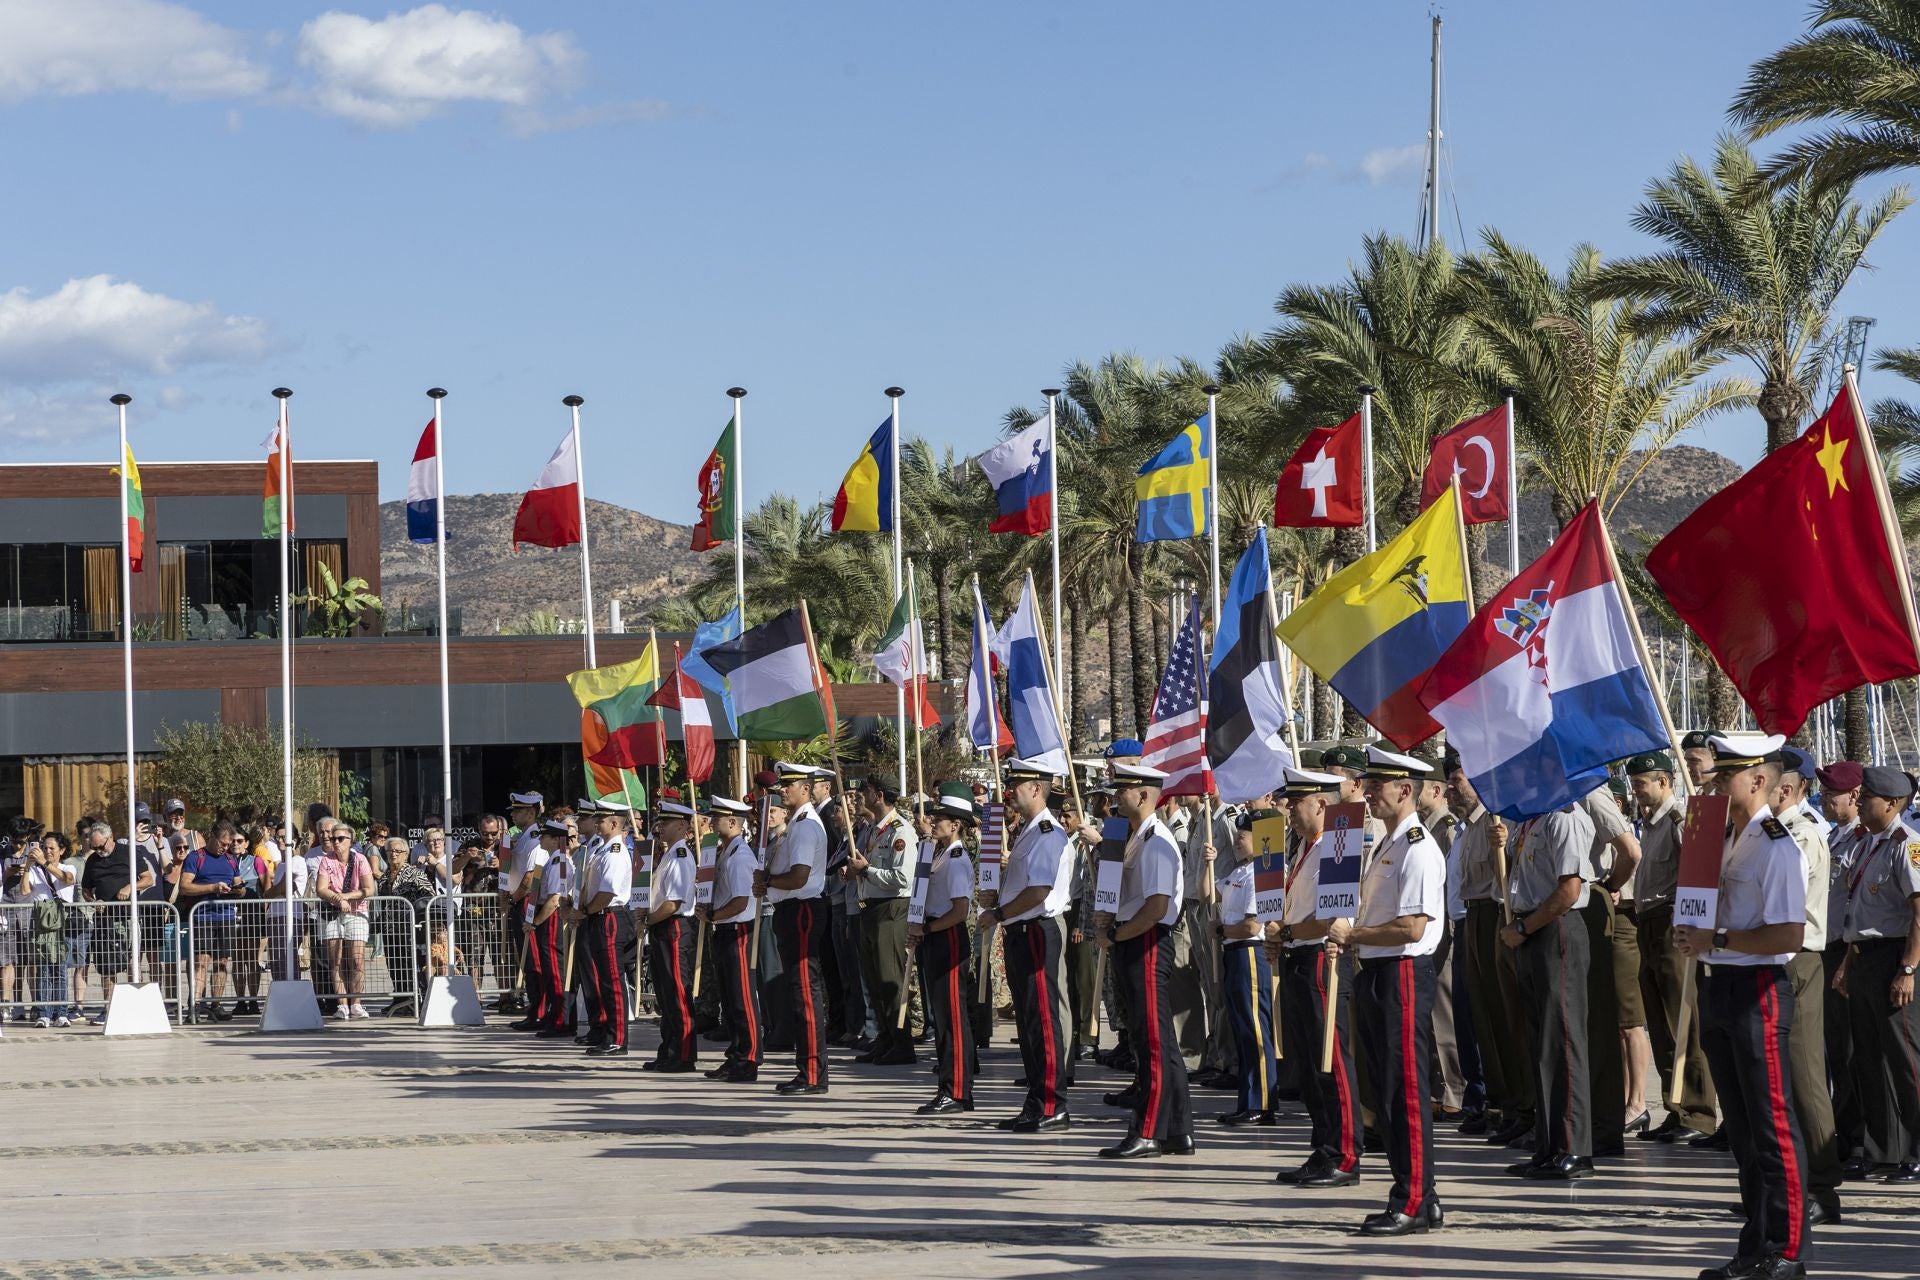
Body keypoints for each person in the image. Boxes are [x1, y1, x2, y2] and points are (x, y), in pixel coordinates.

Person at [1675, 733, 1810, 1280]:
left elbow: (1789, 934)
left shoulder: (1777, 845)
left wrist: (1720, 941)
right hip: (1718, 986)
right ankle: (1754, 1243)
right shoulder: (1716, 837)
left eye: (1723, 774)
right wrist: (1695, 936)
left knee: (1773, 1125)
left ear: (1758, 781)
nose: (1712, 782)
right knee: (1745, 1131)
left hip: (1757, 989)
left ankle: (1787, 1248)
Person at [1341, 746, 1445, 1236]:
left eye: (1376, 785)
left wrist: (1354, 936)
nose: (1367, 794)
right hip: (1379, 972)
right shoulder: (1388, 843)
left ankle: (1413, 1198)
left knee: (1404, 1090)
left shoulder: (1418, 846)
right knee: (1386, 1089)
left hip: (1402, 971)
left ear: (1406, 790)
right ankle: (1421, 1193)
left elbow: (1410, 926)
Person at [1095, 762, 1192, 1158]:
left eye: (1123, 790)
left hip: (1147, 942)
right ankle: (1177, 1129)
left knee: (1151, 1043)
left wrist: (1117, 934)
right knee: (1157, 1042)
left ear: (1143, 794)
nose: (1116, 797)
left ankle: (1148, 1129)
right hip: (1133, 940)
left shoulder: (1156, 841)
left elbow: (1155, 906)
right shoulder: (1135, 837)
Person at [1498, 794, 1596, 1181]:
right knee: (1540, 1044)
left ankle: (1574, 1148)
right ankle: (1549, 1145)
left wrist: (1524, 927)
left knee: (1563, 1042)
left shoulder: (1563, 817)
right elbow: (1515, 882)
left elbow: (1569, 889)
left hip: (1553, 930)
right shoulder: (1527, 822)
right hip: (1528, 931)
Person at [1275, 767, 1362, 1185]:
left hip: (1322, 962)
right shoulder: (1303, 848)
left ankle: (1345, 1154)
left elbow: (1331, 917)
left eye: (1297, 802)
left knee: (1332, 1062)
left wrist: (1289, 931)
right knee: (1310, 1064)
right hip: (1298, 957)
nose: (1289, 809)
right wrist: (1281, 935)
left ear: (1322, 804)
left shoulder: (1338, 846)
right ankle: (1323, 1146)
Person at [980, 757, 1074, 1133]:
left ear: (1036, 789)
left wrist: (1000, 913)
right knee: (1029, 1022)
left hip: (1036, 929)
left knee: (1043, 1021)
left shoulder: (1049, 832)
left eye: (1016, 785)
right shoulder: (1030, 831)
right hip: (1022, 931)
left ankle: (1053, 1104)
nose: (1010, 792)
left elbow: (1038, 891)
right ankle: (1037, 1101)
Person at [1835, 765, 1920, 1185]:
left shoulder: (1909, 846)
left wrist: (1908, 969)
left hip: (1895, 958)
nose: (1859, 802)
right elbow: (1857, 913)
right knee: (1867, 1060)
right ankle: (1883, 1150)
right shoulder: (1867, 844)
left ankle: (1917, 1150)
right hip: (1864, 956)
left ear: (1891, 803)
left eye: (1867, 796)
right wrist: (1848, 965)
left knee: (1906, 1061)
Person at [1772, 746, 1843, 1221]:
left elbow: (1782, 895)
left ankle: (1822, 1186)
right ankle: (1790, 1184)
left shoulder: (1802, 832)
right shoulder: (1773, 832)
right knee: (1780, 1080)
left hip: (1800, 958)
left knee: (1805, 1075)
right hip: (1772, 958)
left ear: (1791, 787)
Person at [757, 762, 830, 1094]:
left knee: (805, 992)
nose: (782, 789)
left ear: (806, 788)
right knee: (799, 992)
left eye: (789, 784)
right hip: (792, 909)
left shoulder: (803, 826)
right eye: (781, 785)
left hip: (801, 909)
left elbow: (799, 876)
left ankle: (813, 1072)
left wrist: (769, 881)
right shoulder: (797, 824)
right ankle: (808, 1069)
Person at [1815, 761, 1873, 1174]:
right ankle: (1844, 1132)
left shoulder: (1864, 841)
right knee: (1837, 1050)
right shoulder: (1835, 836)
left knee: (1854, 1052)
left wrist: (1848, 963)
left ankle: (1857, 1141)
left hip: (1850, 954)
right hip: (1830, 950)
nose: (1824, 799)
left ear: (1855, 796)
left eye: (1831, 793)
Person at [911, 790, 979, 1115]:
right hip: (934, 935)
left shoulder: (956, 859)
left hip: (948, 937)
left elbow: (959, 911)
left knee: (952, 1017)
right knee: (942, 1017)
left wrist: (926, 930)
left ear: (955, 825)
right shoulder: (936, 853)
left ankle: (957, 1090)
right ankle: (949, 1086)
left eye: (939, 818)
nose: (932, 822)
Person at [1216, 806, 1278, 1127]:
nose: (1239, 837)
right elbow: (1207, 893)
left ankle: (1263, 1102)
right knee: (1242, 1031)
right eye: (1239, 832)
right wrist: (1206, 863)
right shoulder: (1240, 871)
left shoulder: (1263, 873)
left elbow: (1252, 926)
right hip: (1233, 952)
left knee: (1255, 1029)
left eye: (1247, 833)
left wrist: (1221, 931)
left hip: (1250, 953)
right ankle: (1248, 1100)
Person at [702, 795, 761, 1082]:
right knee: (730, 997)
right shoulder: (726, 851)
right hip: (726, 929)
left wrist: (714, 915)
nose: (713, 822)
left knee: (742, 999)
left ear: (734, 822)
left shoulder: (740, 856)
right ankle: (736, 1054)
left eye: (718, 818)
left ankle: (748, 1058)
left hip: (738, 930)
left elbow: (740, 901)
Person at [575, 802, 637, 1057]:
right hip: (598, 916)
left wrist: (586, 910)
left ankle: (617, 1038)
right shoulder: (602, 850)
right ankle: (605, 1032)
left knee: (612, 979)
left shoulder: (614, 851)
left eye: (601, 819)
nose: (596, 823)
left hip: (609, 916)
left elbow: (608, 891)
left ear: (614, 824)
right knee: (603, 978)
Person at [645, 798, 700, 1071]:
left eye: (665, 822)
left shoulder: (680, 855)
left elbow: (673, 903)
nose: (660, 827)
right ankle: (668, 1049)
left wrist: (647, 920)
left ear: (681, 825)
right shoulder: (668, 853)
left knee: (678, 992)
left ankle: (684, 1054)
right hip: (662, 925)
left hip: (674, 925)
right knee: (666, 994)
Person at [179, 821, 248, 1023]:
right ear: (212, 836)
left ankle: (216, 1004)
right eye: (223, 843)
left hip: (226, 916)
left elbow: (240, 887)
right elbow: (184, 887)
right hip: (202, 916)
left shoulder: (230, 859)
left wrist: (238, 890)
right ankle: (196, 1003)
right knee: (201, 961)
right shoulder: (195, 857)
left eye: (228, 845)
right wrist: (212, 888)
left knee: (222, 962)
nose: (225, 848)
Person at [313, 823, 375, 1021]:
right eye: (333, 839)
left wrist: (346, 897)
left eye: (340, 838)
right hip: (332, 913)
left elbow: (368, 889)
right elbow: (321, 888)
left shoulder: (361, 859)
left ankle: (356, 1003)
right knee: (336, 960)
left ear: (351, 841)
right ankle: (342, 1004)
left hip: (357, 913)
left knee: (356, 959)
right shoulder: (326, 861)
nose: (336, 842)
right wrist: (339, 900)